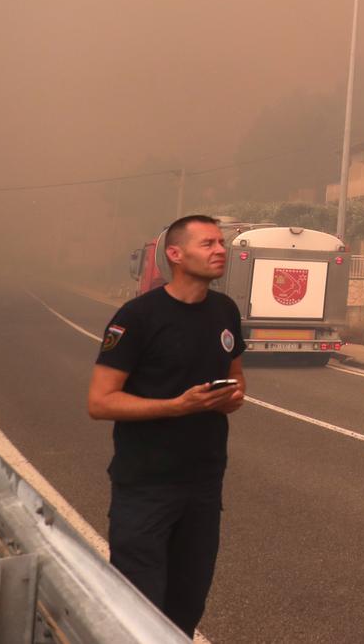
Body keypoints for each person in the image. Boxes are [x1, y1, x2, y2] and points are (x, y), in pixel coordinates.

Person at [87, 214, 246, 637]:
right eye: (208, 243)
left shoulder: (225, 311)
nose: (220, 250)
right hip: (145, 488)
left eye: (221, 243)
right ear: (175, 255)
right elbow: (100, 402)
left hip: (203, 486)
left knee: (186, 608)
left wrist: (230, 397)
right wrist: (177, 406)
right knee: (136, 609)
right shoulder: (137, 316)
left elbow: (237, 377)